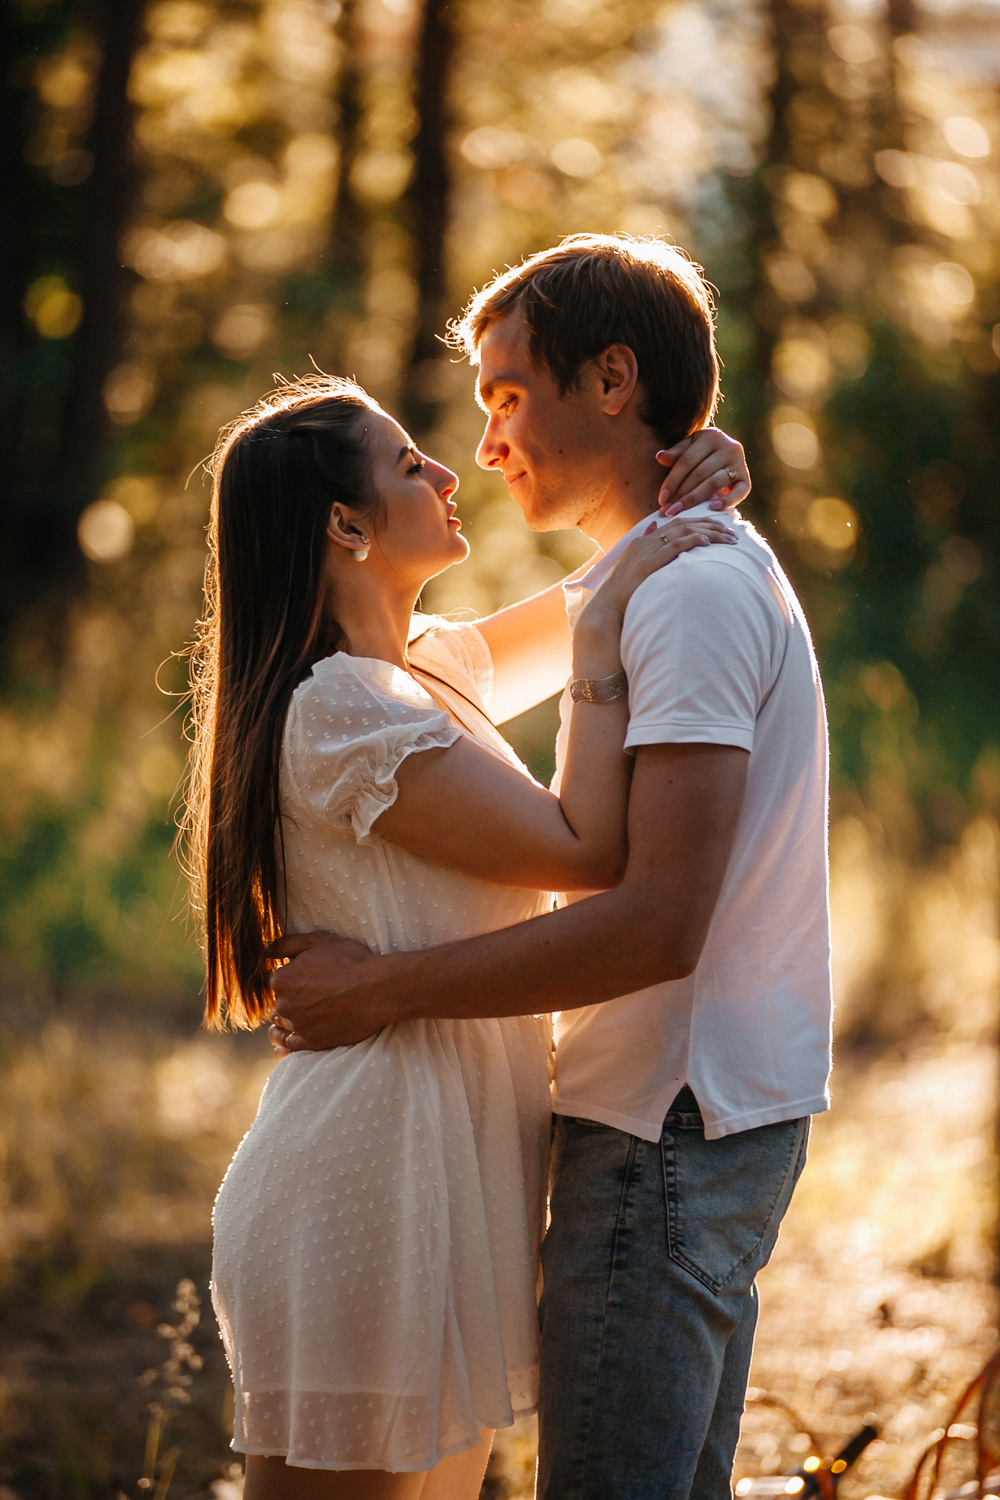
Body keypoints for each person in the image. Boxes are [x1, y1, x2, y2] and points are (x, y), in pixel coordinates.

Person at [267, 234, 834, 1500]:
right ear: (346, 526)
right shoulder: (647, 589)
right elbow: (592, 603)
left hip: (668, 1120)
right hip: (630, 1120)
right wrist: (680, 497)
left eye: (506, 397)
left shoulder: (681, 594)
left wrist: (381, 988)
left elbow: (647, 914)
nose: (481, 448)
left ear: (614, 381)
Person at [182, 367, 744, 1499]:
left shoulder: (425, 670)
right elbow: (588, 849)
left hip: (451, 1167)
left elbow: (614, 580)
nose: (448, 471)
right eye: (406, 464)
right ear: (345, 523)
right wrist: (595, 668)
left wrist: (701, 477)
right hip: (371, 1177)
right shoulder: (340, 705)